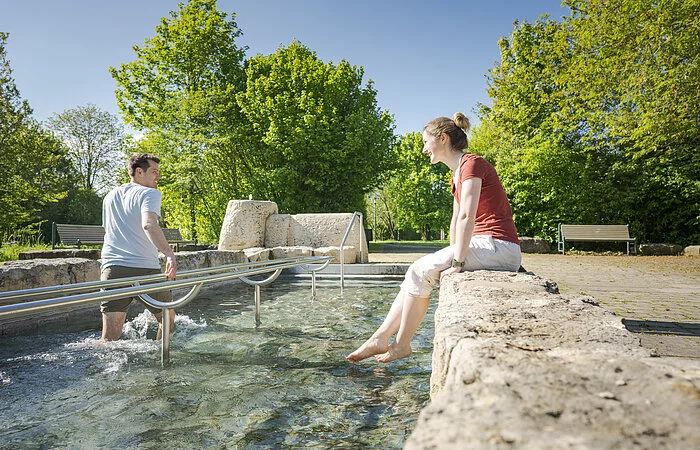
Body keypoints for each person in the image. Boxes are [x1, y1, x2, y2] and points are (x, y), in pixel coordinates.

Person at [347, 112, 521, 363]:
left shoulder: (472, 164)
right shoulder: (457, 172)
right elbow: (455, 219)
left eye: (425, 142)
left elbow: (466, 218)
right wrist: (451, 255)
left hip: (499, 246)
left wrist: (458, 263)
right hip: (485, 246)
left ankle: (401, 344)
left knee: (419, 269)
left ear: (442, 138)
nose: (423, 149)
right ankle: (381, 338)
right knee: (417, 272)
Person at [100, 153, 178, 341]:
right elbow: (149, 224)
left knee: (109, 338)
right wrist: (169, 254)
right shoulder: (150, 193)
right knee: (168, 320)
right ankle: (159, 360)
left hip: (112, 270)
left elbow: (107, 229)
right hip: (145, 270)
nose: (158, 176)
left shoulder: (110, 196)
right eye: (154, 172)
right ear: (138, 172)